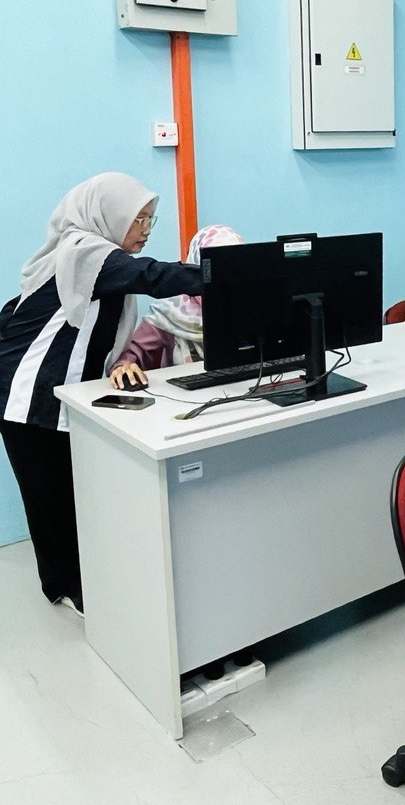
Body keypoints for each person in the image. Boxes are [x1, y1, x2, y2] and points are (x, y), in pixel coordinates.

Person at [0, 173, 203, 613]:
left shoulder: (97, 262)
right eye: (138, 219)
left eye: (151, 219)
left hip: (60, 394)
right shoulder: (86, 252)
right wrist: (229, 272)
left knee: (76, 494)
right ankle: (66, 588)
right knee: (49, 500)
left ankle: (90, 577)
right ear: (107, 215)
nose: (146, 229)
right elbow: (155, 276)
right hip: (25, 398)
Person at [108, 224, 242, 388]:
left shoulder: (249, 307)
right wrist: (125, 367)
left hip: (243, 391)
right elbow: (132, 355)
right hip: (185, 398)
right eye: (217, 266)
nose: (225, 276)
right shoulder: (170, 313)